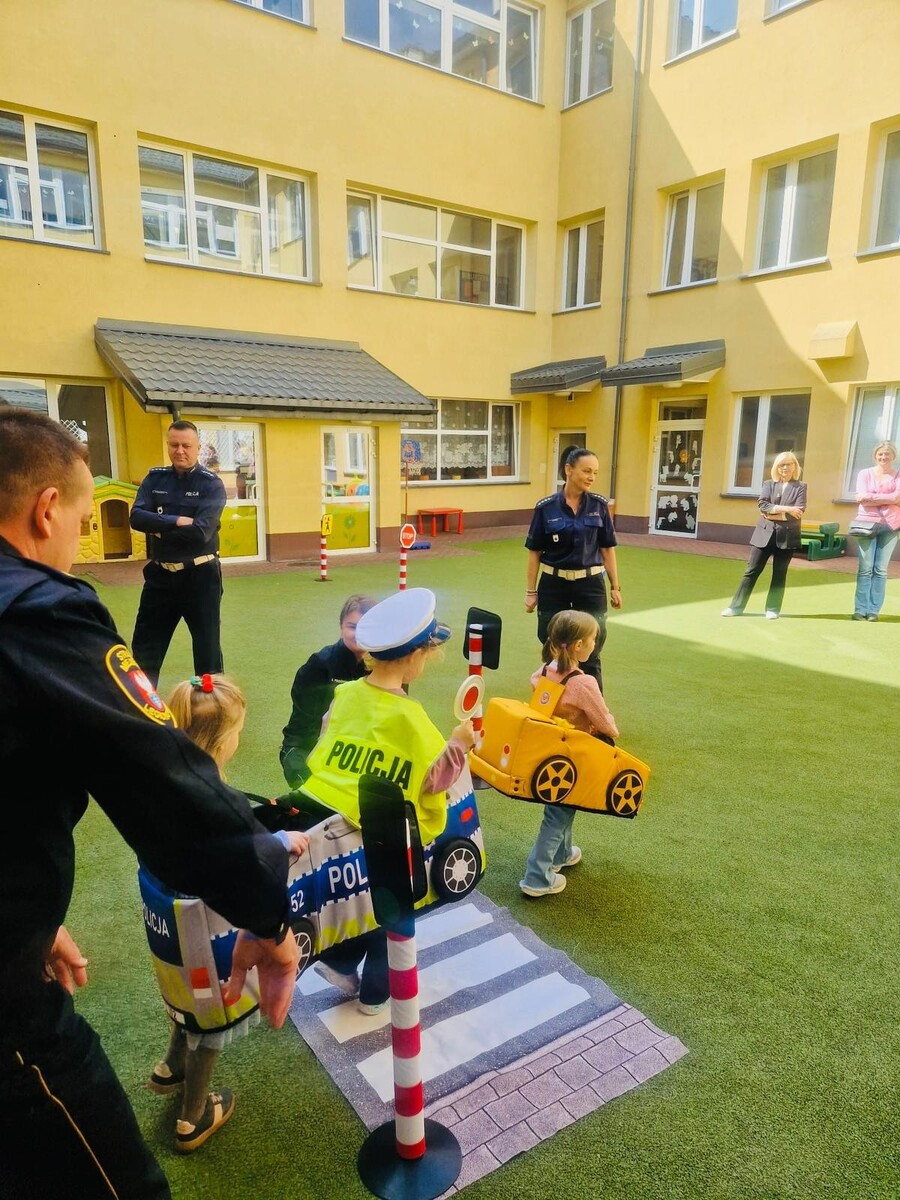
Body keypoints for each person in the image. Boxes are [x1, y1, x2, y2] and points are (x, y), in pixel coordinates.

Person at [0, 409, 299, 1200]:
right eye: (79, 519)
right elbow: (162, 782)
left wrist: (27, 915)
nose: (78, 541)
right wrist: (269, 917)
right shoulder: (38, 609)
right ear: (46, 510)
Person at [146, 673, 309, 1154]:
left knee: (184, 1000)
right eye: (237, 730)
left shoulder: (162, 787)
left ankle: (171, 1066)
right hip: (206, 934)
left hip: (165, 927)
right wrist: (280, 842)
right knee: (212, 1019)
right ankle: (193, 1117)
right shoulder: (215, 801)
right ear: (221, 741)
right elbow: (241, 859)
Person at [300, 588, 476, 1015]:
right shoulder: (411, 716)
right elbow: (434, 780)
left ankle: (341, 962)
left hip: (326, 817)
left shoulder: (346, 694)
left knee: (357, 900)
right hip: (379, 829)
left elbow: (323, 741)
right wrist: (459, 743)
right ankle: (376, 994)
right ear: (415, 657)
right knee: (393, 905)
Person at [520, 610, 619, 899]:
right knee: (557, 815)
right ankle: (537, 877)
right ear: (578, 645)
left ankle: (561, 854)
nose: (594, 644)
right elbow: (604, 723)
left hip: (548, 753)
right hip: (573, 756)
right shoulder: (583, 683)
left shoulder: (543, 673)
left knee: (562, 806)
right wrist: (613, 728)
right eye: (592, 640)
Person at [129, 419, 227, 688]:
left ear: (198, 448)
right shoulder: (155, 479)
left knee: (207, 653)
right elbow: (136, 518)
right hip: (161, 577)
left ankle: (212, 709)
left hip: (201, 576)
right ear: (168, 445)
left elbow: (200, 533)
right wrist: (177, 521)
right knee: (144, 650)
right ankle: (142, 708)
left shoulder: (211, 485)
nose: (179, 451)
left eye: (186, 445)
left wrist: (158, 529)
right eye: (174, 445)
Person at [525, 446, 621, 690]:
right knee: (552, 644)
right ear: (569, 470)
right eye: (587, 471)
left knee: (591, 649)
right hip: (554, 585)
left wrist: (615, 587)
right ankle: (549, 705)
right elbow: (534, 552)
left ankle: (593, 705)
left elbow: (607, 549)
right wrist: (530, 592)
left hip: (590, 585)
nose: (591, 477)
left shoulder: (599, 506)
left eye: (595, 473)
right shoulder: (546, 508)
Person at [280, 593, 378, 788]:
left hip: (357, 749)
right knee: (316, 795)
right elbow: (306, 725)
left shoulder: (384, 666)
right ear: (341, 627)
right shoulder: (319, 664)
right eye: (352, 626)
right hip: (307, 746)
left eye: (366, 627)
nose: (358, 634)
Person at [722, 451, 807, 620]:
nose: (785, 468)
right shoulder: (768, 484)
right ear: (776, 467)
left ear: (795, 467)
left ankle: (773, 609)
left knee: (779, 573)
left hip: (787, 537)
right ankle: (735, 607)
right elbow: (763, 505)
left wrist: (773, 512)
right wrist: (787, 509)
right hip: (763, 535)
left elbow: (799, 511)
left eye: (789, 464)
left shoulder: (801, 487)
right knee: (751, 571)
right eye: (781, 464)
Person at [851, 440, 900, 621]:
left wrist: (870, 497)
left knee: (880, 569)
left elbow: (897, 497)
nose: (883, 457)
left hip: (891, 525)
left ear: (893, 456)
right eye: (880, 454)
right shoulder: (865, 474)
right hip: (866, 524)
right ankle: (860, 609)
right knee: (865, 568)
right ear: (875, 456)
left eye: (887, 454)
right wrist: (889, 499)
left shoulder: (898, 475)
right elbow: (860, 498)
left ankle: (873, 611)